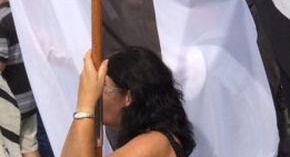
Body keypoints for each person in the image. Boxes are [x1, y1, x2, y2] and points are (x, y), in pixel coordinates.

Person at [61, 48, 195, 157]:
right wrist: (82, 109)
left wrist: (85, 105)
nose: (95, 95)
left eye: (102, 87)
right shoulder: (153, 139)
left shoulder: (152, 143)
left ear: (128, 97)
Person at [0, 0, 41, 157]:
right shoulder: (18, 15)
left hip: (9, 102)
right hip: (28, 96)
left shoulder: (1, 21)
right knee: (30, 147)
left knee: (9, 149)